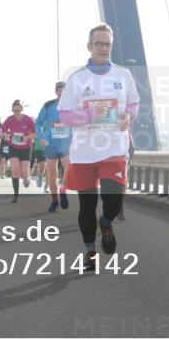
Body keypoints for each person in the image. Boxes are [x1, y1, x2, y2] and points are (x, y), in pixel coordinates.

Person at [59, 23, 138, 270]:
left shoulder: (123, 75)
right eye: (99, 44)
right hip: (84, 152)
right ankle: (90, 251)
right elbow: (65, 116)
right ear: (90, 46)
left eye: (108, 44)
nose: (104, 48)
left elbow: (133, 105)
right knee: (87, 206)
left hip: (114, 148)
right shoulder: (77, 78)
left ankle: (106, 223)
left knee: (113, 198)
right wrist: (89, 115)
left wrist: (128, 117)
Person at [36, 81, 71, 212]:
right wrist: (41, 138)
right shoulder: (48, 105)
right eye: (60, 90)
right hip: (51, 143)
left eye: (65, 91)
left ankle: (63, 191)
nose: (62, 93)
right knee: (52, 173)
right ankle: (54, 200)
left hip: (66, 143)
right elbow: (38, 123)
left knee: (69, 169)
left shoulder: (73, 106)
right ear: (56, 92)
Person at [2, 99, 36, 203]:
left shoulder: (29, 120)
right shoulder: (9, 119)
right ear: (12, 110)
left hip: (25, 148)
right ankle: (16, 195)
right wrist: (4, 136)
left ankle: (26, 178)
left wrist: (27, 137)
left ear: (22, 109)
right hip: (13, 148)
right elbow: (2, 131)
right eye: (14, 110)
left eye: (18, 110)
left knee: (24, 173)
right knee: (15, 170)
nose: (16, 112)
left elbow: (35, 133)